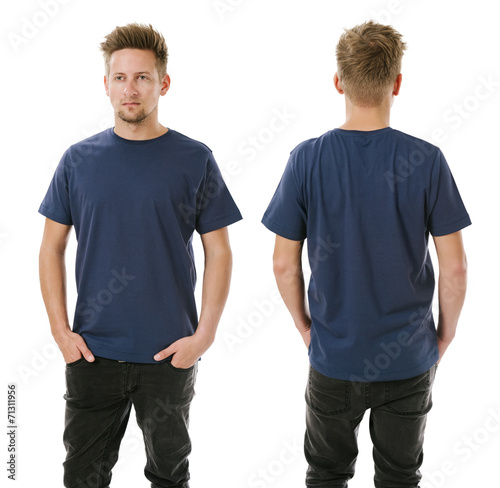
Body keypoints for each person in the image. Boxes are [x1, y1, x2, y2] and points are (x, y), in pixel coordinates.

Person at [262, 20, 470, 488]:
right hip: (409, 357)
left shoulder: (306, 158)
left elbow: (281, 262)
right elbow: (454, 267)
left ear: (339, 82)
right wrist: (444, 337)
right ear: (397, 83)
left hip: (333, 356)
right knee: (400, 478)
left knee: (326, 475)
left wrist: (305, 327)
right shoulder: (428, 160)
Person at [38, 23, 242, 488]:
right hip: (92, 354)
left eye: (143, 78)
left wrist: (204, 335)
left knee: (170, 476)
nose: (131, 88)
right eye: (120, 77)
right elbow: (51, 247)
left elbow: (220, 251)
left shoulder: (195, 158)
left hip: (169, 354)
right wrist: (59, 330)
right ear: (106, 84)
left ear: (163, 84)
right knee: (81, 477)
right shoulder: (77, 160)